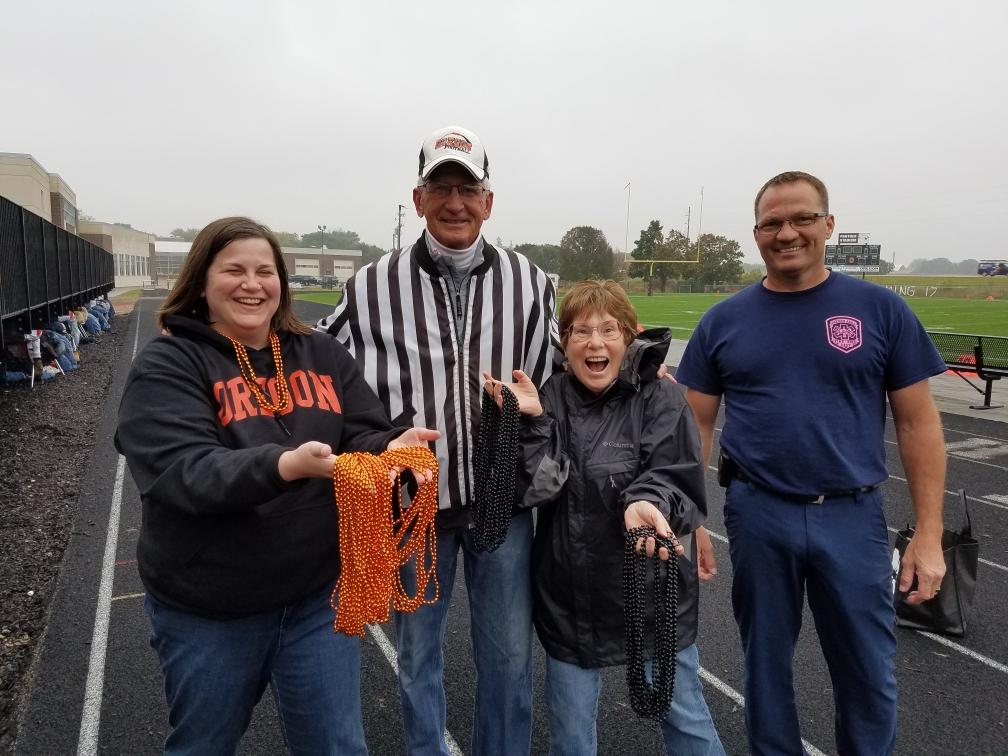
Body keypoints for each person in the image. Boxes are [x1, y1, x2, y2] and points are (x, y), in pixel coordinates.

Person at [115, 216, 438, 755]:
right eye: (233, 270)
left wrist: (390, 450)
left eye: (265, 271)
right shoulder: (169, 365)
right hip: (210, 609)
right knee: (203, 745)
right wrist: (284, 465)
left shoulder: (321, 354)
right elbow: (184, 472)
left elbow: (361, 430)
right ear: (201, 281)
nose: (252, 283)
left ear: (280, 284)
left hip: (315, 600)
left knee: (338, 747)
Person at [675, 171, 948, 755]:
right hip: (757, 512)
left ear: (829, 225)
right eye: (772, 222)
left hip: (852, 516)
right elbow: (694, 423)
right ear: (756, 234)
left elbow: (918, 423)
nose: (787, 232)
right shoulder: (724, 321)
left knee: (868, 670)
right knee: (765, 669)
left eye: (801, 218)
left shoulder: (878, 309)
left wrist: (929, 534)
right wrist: (692, 516)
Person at [318, 125, 560, 755]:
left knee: (509, 664)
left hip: (501, 505)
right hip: (409, 505)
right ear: (418, 197)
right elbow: (315, 360)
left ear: (489, 200)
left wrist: (639, 378)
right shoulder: (371, 285)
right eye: (442, 187)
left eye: (469, 188)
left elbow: (561, 372)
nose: (456, 202)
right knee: (418, 659)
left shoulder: (531, 282)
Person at [485, 280, 725, 756]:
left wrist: (646, 504)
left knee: (686, 718)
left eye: (608, 330)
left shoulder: (661, 398)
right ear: (565, 343)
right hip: (570, 597)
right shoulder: (549, 395)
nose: (595, 343)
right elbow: (538, 487)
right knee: (571, 734)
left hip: (651, 590)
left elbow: (675, 475)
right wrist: (530, 422)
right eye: (581, 332)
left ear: (628, 338)